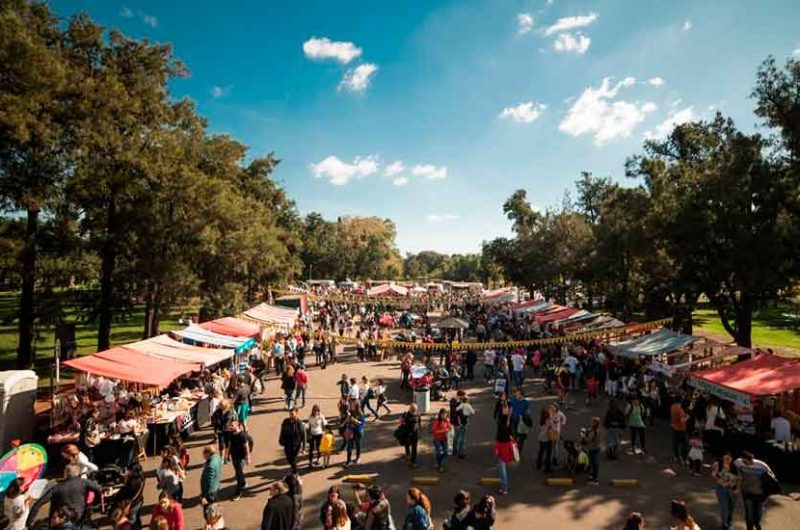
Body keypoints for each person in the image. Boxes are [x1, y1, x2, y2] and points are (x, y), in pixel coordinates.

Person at [27, 463, 102, 528]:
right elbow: (99, 489)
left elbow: (39, 503)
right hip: (79, 514)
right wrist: (94, 504)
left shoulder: (57, 487)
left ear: (65, 473)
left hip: (60, 517)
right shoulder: (84, 482)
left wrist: (29, 522)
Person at [735, 451, 776, 530]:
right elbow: (734, 468)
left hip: (760, 494)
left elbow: (772, 477)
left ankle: (757, 524)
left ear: (752, 459)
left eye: (749, 462)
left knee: (758, 514)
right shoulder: (738, 462)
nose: (748, 464)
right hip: (748, 493)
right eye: (745, 462)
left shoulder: (761, 465)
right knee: (749, 514)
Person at [711, 453, 739, 530]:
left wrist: (736, 488)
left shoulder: (734, 466)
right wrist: (724, 471)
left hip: (732, 490)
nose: (727, 460)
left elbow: (738, 478)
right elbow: (714, 475)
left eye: (728, 458)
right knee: (724, 507)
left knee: (731, 507)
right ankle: (724, 524)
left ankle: (729, 520)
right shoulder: (718, 464)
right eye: (725, 458)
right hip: (721, 489)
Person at [493, 398, 515, 494]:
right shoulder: (509, 422)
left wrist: (496, 450)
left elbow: (498, 439)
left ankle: (504, 488)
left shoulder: (502, 423)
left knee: (502, 470)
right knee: (504, 467)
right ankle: (504, 486)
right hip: (507, 446)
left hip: (502, 446)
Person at [229, 420, 254, 500]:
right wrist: (227, 455)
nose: (230, 427)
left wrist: (248, 457)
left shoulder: (242, 435)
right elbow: (230, 445)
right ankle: (243, 483)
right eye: (230, 425)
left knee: (238, 474)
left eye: (232, 425)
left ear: (238, 426)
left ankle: (238, 493)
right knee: (238, 471)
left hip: (241, 458)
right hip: (234, 456)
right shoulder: (231, 434)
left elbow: (246, 447)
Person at [450, 390, 475, 459]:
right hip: (461, 422)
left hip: (455, 422)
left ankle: (454, 450)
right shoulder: (459, 403)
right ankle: (461, 452)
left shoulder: (452, 401)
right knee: (462, 438)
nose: (464, 398)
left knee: (456, 436)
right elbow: (459, 413)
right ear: (460, 396)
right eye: (463, 396)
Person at [279, 408, 304, 474]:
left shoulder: (299, 423)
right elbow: (282, 431)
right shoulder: (285, 421)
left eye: (292, 414)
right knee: (289, 459)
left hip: (295, 445)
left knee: (293, 459)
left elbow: (303, 435)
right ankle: (294, 470)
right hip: (287, 443)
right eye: (290, 414)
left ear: (296, 414)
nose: (291, 415)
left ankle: (295, 473)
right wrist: (281, 439)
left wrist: (303, 448)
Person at [431, 408, 452, 473]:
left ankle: (437, 461)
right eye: (442, 414)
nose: (444, 416)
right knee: (440, 452)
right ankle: (440, 466)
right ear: (440, 414)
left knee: (445, 453)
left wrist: (448, 429)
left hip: (444, 439)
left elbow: (450, 427)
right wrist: (442, 431)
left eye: (445, 414)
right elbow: (434, 431)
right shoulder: (437, 421)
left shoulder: (446, 421)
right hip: (437, 439)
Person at [583, 417, 602, 485]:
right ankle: (593, 476)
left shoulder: (594, 432)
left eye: (592, 422)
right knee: (594, 463)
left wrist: (583, 436)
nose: (591, 423)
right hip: (597, 448)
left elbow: (588, 440)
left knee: (593, 463)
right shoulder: (598, 430)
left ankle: (594, 478)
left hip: (592, 448)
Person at [670, 399, 690, 465]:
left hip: (674, 426)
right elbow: (682, 420)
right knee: (685, 444)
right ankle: (682, 457)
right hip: (681, 429)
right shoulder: (680, 410)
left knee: (676, 443)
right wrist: (687, 417)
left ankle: (676, 456)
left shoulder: (673, 406)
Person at [536, 409, 554, 473]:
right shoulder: (549, 421)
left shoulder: (541, 421)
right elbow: (552, 428)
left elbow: (538, 429)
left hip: (541, 439)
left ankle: (538, 464)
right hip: (548, 439)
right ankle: (547, 468)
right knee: (548, 454)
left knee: (541, 451)